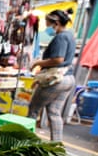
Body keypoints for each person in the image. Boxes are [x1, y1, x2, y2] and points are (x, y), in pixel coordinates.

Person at [28, 8, 76, 142]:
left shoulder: (60, 37)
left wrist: (38, 62)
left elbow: (58, 59)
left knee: (33, 109)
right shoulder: (70, 35)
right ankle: (56, 144)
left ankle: (25, 140)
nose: (47, 27)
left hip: (56, 79)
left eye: (48, 24)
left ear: (56, 22)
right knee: (54, 112)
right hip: (68, 78)